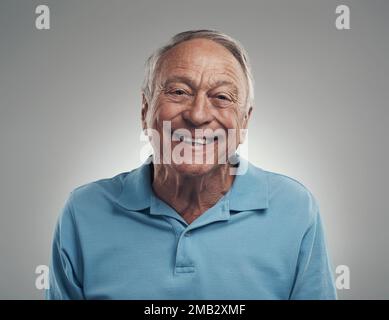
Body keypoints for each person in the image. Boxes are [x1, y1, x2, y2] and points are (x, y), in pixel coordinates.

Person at [46, 30, 337, 299]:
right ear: (145, 108)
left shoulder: (295, 209)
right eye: (179, 92)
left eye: (221, 97)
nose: (198, 115)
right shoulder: (84, 212)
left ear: (245, 120)